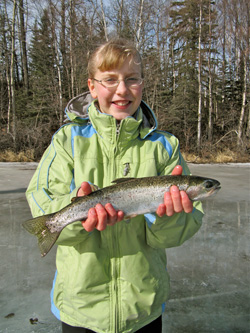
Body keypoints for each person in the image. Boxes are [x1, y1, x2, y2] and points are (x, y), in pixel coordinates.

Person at [26, 38, 204, 333]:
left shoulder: (164, 146)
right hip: (80, 306)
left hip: (143, 306)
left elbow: (181, 228)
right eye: (110, 80)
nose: (122, 90)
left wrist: (171, 217)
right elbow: (42, 198)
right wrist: (73, 214)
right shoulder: (66, 140)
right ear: (92, 87)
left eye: (132, 79)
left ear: (142, 85)